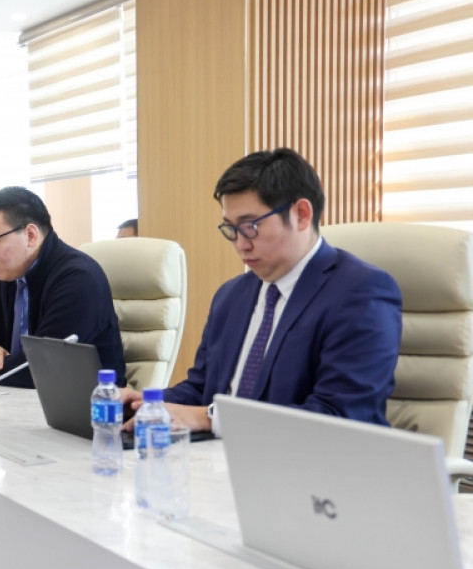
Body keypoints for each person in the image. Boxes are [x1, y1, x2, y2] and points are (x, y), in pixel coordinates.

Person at [123, 148, 401, 434]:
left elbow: (340, 416)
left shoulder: (361, 293)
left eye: (250, 226)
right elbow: (201, 388)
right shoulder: (231, 296)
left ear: (301, 214)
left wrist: (211, 419)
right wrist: (144, 403)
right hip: (216, 455)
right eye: (230, 229)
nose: (240, 244)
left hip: (307, 459)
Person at [0, 187, 125, 388]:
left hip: (90, 401)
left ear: (31, 235)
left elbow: (45, 366)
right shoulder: (6, 278)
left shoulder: (78, 278)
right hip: (15, 396)